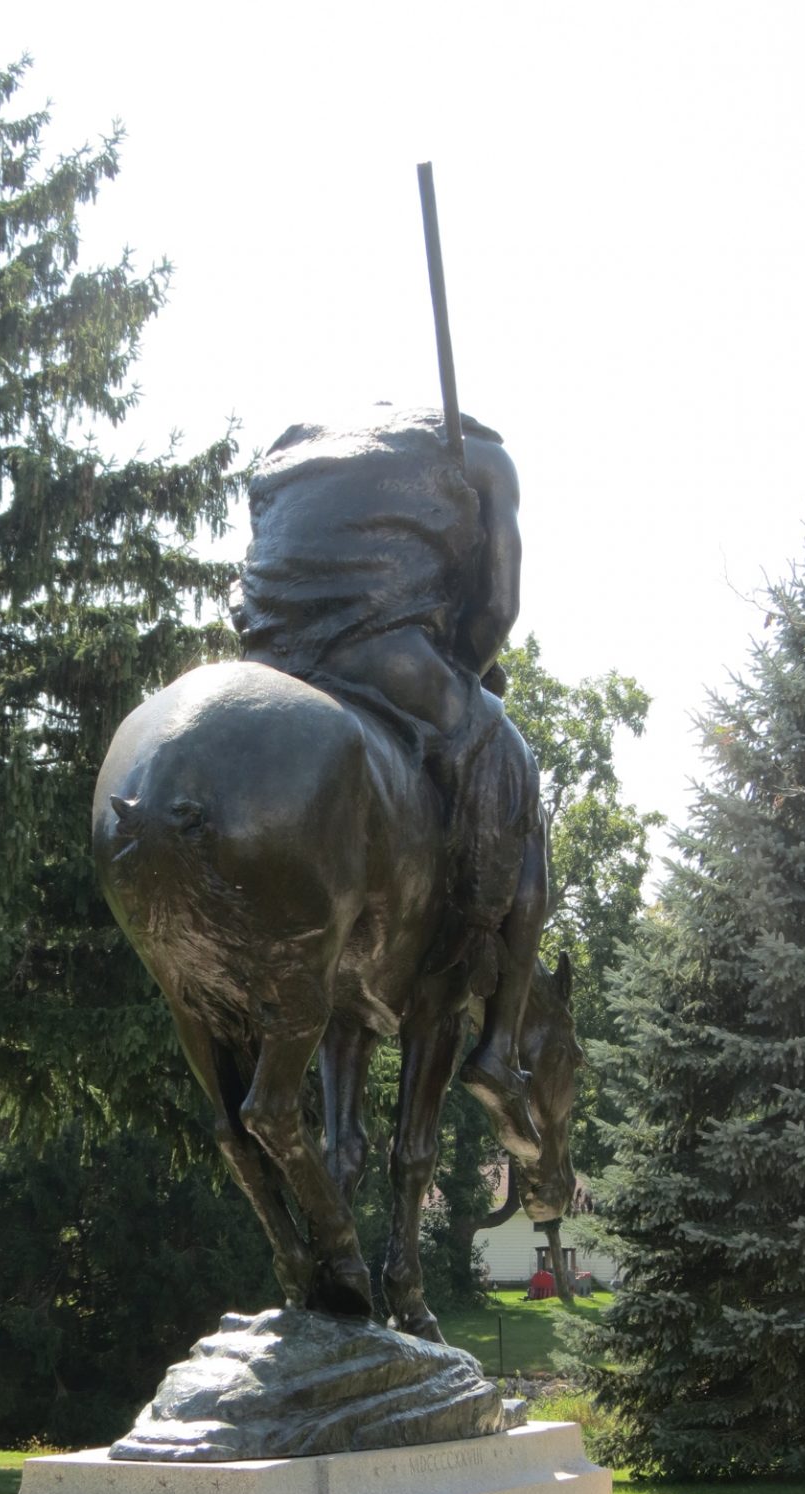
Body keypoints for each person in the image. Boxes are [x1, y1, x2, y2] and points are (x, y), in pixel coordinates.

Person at [231, 406, 546, 1159]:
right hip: (389, 665)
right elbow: (498, 610)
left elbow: (259, 580)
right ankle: (499, 1046)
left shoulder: (282, 454)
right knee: (519, 774)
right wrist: (464, 665)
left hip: (270, 672)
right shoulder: (480, 460)